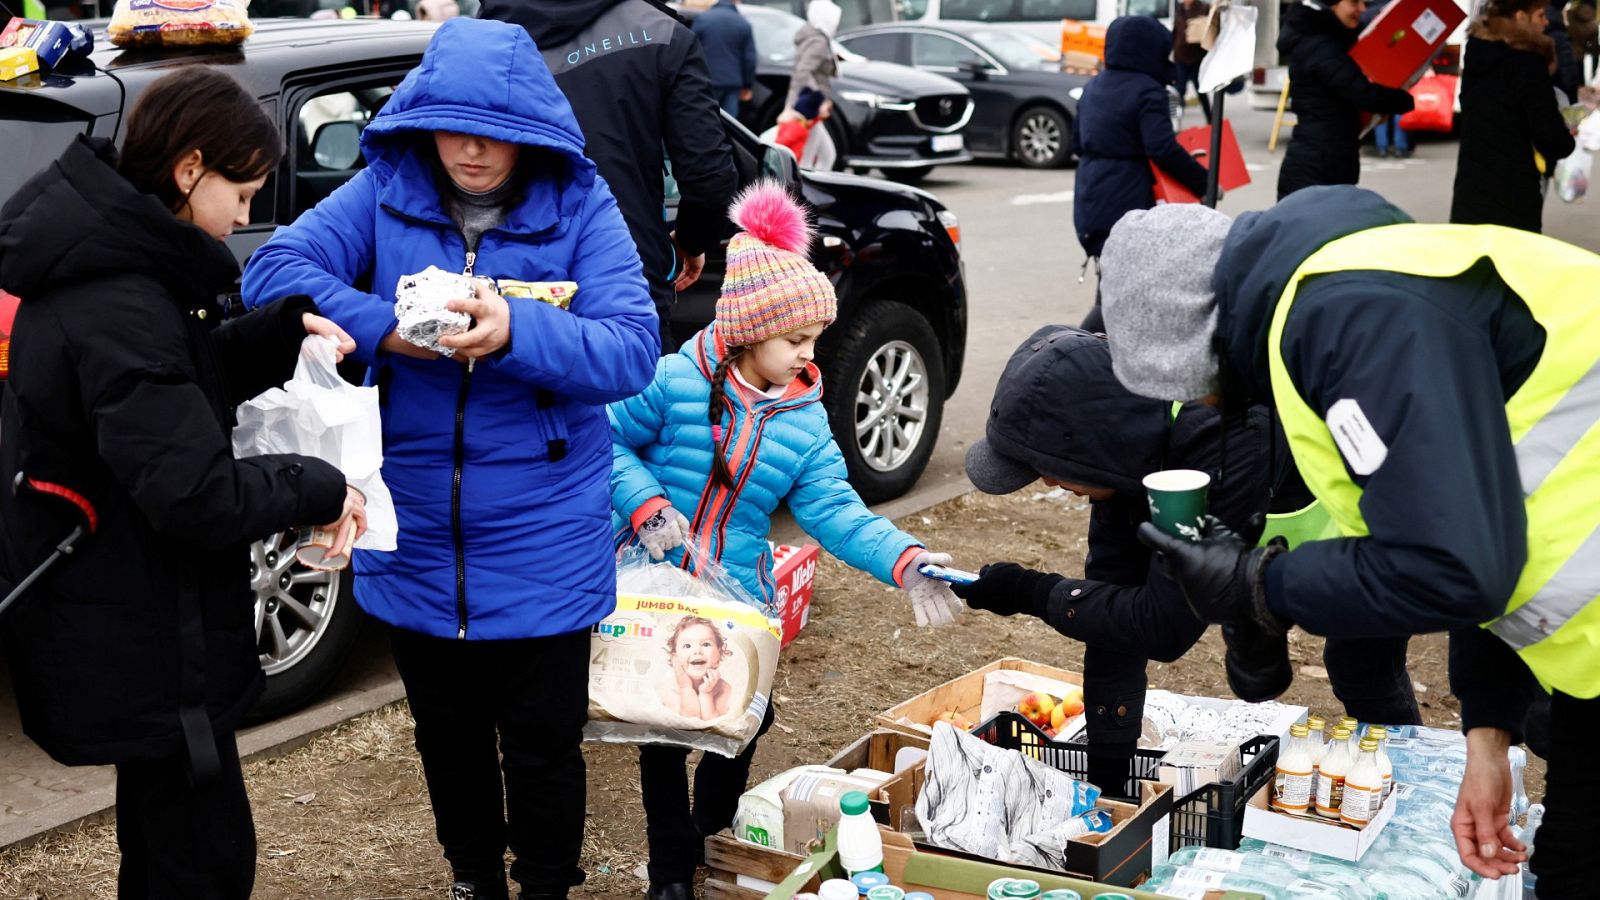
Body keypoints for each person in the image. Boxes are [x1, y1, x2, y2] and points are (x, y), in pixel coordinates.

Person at [241, 19, 659, 900]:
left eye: (495, 131)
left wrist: (518, 328)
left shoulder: (579, 206)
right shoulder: (385, 189)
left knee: (545, 745)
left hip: (545, 532)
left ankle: (546, 885)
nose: (471, 148)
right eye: (453, 125)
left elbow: (629, 348)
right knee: (446, 737)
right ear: (420, 120)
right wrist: (380, 326)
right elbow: (274, 268)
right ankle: (474, 878)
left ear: (531, 131)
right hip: (416, 526)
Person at [1095, 185, 1600, 899]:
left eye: (1189, 388)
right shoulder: (1353, 288)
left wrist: (1256, 585)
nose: (1206, 406)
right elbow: (1483, 519)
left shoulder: (1351, 318)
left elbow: (1452, 563)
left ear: (1189, 338)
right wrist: (1489, 733)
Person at [0, 68, 362, 899]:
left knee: (177, 848)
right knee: (198, 865)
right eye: (243, 190)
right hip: (141, 627)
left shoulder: (123, 271)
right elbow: (193, 490)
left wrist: (274, 336)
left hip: (137, 613)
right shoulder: (118, 299)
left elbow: (170, 394)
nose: (245, 215)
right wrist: (318, 484)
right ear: (190, 168)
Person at [607, 182, 963, 900]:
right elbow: (603, 438)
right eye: (796, 339)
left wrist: (904, 559)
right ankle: (672, 872)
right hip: (655, 590)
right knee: (659, 730)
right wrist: (644, 504)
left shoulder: (803, 420)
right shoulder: (674, 380)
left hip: (737, 597)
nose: (810, 354)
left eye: (813, 340)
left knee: (745, 716)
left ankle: (709, 824)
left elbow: (836, 510)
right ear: (746, 332)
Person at [948, 324, 1419, 793]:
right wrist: (1109, 788)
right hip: (1259, 537)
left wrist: (1031, 592)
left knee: (1362, 664)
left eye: (1047, 468)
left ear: (1097, 441)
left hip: (1376, 510)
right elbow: (1116, 611)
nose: (1048, 484)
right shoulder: (1120, 454)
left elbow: (1164, 625)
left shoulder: (1227, 435)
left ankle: (1416, 790)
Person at [480, 0, 739, 353]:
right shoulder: (660, 32)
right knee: (629, 403)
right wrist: (691, 242)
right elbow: (709, 177)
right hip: (629, 272)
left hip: (508, 285)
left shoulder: (485, 36)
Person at [1072, 15, 1209, 333]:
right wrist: (1203, 180)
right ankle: (1076, 349)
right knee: (1116, 295)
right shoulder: (1148, 90)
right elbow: (1161, 148)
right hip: (1126, 196)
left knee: (1111, 277)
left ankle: (1101, 354)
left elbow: (1078, 141)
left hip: (1090, 194)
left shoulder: (1093, 86)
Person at [1451, 0, 1576, 233]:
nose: (1546, 21)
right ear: (1520, 16)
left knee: (1474, 262)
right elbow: (1552, 139)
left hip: (1470, 189)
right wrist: (1567, 134)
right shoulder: (1529, 63)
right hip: (1513, 193)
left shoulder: (1476, 52)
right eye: (1540, 15)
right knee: (1512, 265)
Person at [1276, 0, 1414, 198]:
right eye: (1353, 2)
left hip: (1326, 159)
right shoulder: (1321, 45)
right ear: (1332, 6)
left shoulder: (1329, 40)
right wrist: (1405, 99)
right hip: (1317, 165)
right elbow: (1362, 93)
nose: (1362, 9)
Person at [658, 616, 734, 719]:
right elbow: (690, 720)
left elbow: (713, 723)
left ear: (719, 653)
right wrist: (685, 687)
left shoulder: (723, 689)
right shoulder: (669, 688)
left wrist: (706, 693)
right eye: (687, 646)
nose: (697, 650)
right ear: (675, 657)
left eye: (706, 644)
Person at [692, 0, 758, 116]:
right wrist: (747, 85)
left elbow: (691, 49)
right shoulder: (743, 23)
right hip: (732, 83)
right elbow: (749, 58)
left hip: (706, 80)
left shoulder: (703, 19)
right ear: (736, 2)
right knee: (729, 124)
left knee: (706, 119)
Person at [1173, 0, 1213, 123]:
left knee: (1201, 90)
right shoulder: (1179, 9)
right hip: (1180, 56)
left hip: (1195, 57)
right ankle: (1176, 121)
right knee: (1180, 90)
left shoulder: (1202, 8)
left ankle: (1210, 120)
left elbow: (1207, 27)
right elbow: (1176, 30)